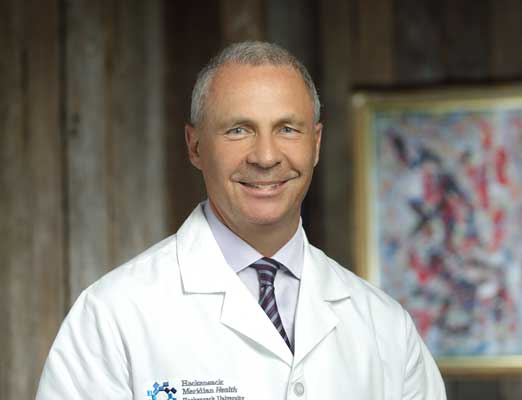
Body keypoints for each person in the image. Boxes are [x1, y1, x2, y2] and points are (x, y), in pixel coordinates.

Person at [36, 41, 446, 400]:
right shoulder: (112, 316)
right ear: (195, 146)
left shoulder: (386, 328)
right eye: (238, 130)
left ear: (316, 144)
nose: (265, 157)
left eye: (287, 128)